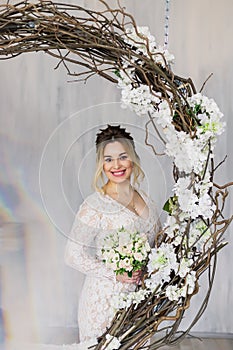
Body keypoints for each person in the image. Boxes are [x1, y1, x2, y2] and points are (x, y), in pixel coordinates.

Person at [64, 124, 161, 344]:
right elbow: (72, 254)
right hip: (103, 303)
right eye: (108, 159)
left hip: (138, 304)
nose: (116, 165)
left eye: (122, 157)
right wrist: (114, 273)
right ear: (101, 163)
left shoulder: (147, 200)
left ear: (133, 158)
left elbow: (156, 245)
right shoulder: (94, 205)